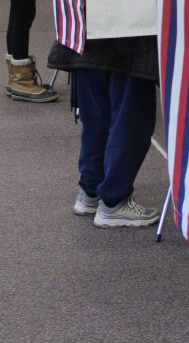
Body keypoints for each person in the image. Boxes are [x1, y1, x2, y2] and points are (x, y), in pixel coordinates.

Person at [48, 35, 159, 228]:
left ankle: (91, 190)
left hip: (86, 33)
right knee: (130, 118)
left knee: (96, 118)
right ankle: (114, 200)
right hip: (130, 36)